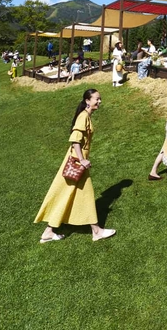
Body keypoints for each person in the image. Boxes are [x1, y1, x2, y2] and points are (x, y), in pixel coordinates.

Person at [35, 89, 116, 243]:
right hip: (77, 161)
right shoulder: (83, 116)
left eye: (100, 99)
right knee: (85, 194)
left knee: (67, 194)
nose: (99, 101)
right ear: (87, 101)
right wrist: (82, 160)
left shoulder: (86, 116)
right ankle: (97, 232)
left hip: (76, 160)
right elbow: (75, 140)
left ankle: (48, 232)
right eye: (97, 99)